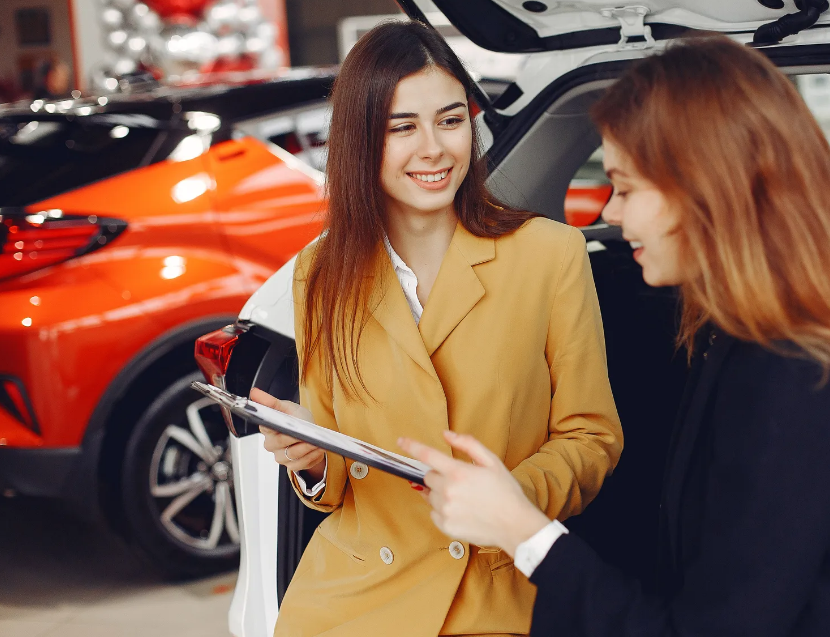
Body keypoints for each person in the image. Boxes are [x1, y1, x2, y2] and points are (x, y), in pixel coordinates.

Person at [400, 35, 830, 637]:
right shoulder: (742, 334)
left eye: (626, 188)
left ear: (707, 191)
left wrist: (520, 530)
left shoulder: (799, 373)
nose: (612, 214)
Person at [249, 21, 622, 637]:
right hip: (348, 600)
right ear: (360, 140)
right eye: (403, 128)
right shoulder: (320, 271)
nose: (434, 149)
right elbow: (335, 477)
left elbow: (592, 438)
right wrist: (312, 459)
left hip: (491, 592)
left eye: (450, 121)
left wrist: (508, 499)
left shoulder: (549, 254)